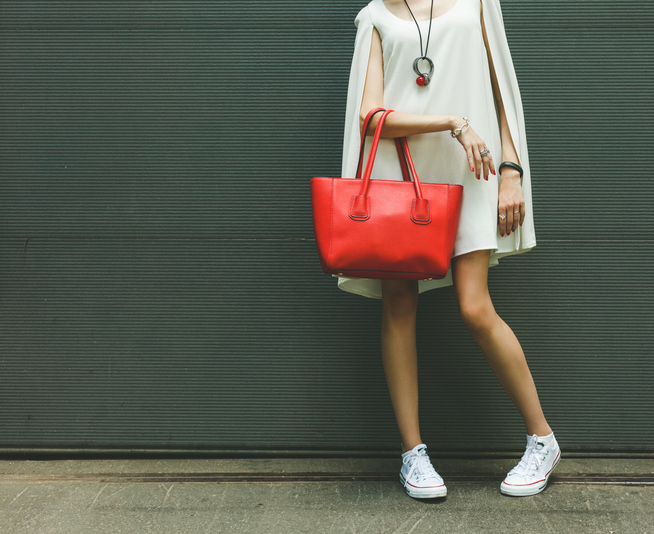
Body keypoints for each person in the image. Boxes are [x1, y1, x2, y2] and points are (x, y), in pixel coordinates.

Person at [337, 0, 560, 498]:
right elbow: (370, 116)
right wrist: (452, 121)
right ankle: (413, 455)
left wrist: (512, 169)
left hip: (471, 173)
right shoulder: (375, 16)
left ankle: (542, 439)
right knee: (399, 308)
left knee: (475, 308)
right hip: (401, 181)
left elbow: (504, 90)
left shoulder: (478, 2)